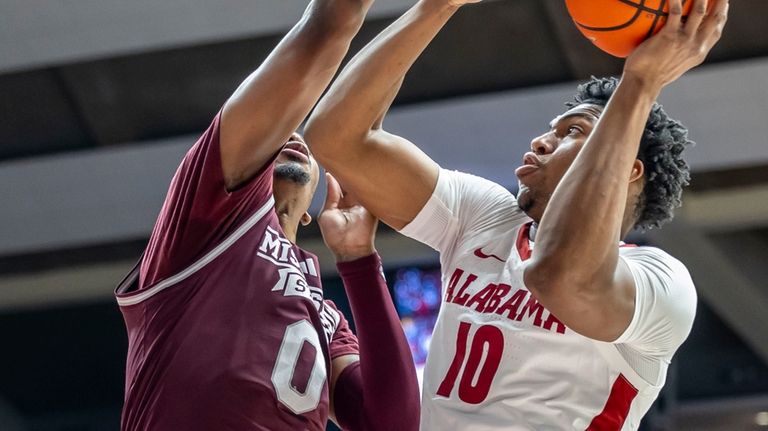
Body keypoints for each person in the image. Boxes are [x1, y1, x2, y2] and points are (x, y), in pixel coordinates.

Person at [304, 0, 729, 428]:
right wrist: (438, 7)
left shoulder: (661, 282)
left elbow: (559, 276)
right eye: (551, 129)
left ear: (628, 168)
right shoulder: (488, 217)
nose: (542, 141)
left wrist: (640, 82)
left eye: (573, 132)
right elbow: (337, 138)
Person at [113, 1, 420, 429]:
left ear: (312, 209)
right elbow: (327, 27)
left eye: (300, 141)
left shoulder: (324, 315)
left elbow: (390, 423)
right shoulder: (208, 212)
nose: (292, 135)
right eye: (279, 132)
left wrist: (359, 260)